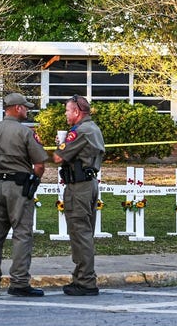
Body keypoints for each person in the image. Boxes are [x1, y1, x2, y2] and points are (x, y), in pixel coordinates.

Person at [0, 93, 48, 297]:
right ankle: (19, 281)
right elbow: (40, 164)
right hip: (18, 187)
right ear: (17, 108)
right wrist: (33, 180)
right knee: (22, 233)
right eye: (26, 107)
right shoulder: (25, 132)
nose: (27, 111)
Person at [53, 94, 105, 296]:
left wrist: (62, 144)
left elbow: (58, 157)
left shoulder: (79, 131)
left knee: (80, 233)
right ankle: (83, 276)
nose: (66, 114)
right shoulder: (93, 128)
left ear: (76, 112)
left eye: (67, 110)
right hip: (90, 183)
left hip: (79, 187)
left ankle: (85, 281)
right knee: (85, 233)